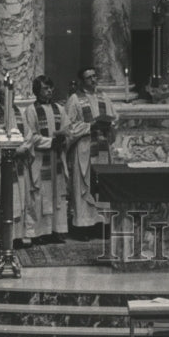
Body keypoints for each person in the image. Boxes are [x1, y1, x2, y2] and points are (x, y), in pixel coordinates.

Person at [65, 67, 118, 233]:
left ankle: (101, 224)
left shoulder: (104, 97)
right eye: (89, 78)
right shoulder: (74, 99)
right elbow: (69, 127)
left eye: (95, 76)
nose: (94, 80)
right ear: (82, 81)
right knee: (85, 185)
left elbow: (114, 119)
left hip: (102, 147)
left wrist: (110, 125)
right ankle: (83, 226)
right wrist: (90, 126)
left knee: (102, 186)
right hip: (84, 149)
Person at [0, 79, 34, 250]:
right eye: (5, 95)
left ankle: (17, 236)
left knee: (19, 197)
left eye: (11, 95)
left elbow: (29, 135)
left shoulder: (18, 112)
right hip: (1, 166)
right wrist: (11, 151)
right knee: (0, 199)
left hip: (17, 164)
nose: (8, 98)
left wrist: (22, 149)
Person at [24, 74, 69, 244]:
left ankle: (57, 230)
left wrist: (64, 139)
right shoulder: (31, 110)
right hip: (41, 159)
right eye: (45, 88)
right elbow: (30, 136)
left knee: (58, 194)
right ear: (36, 91)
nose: (49, 91)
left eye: (51, 88)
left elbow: (68, 129)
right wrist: (51, 141)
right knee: (41, 195)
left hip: (57, 157)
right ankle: (39, 232)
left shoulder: (59, 108)